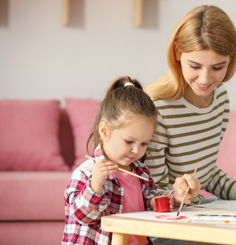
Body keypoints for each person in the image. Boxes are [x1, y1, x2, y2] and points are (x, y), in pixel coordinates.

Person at [145, 5, 236, 209]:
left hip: (196, 210)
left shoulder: (220, 97)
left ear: (230, 60)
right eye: (195, 66)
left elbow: (206, 172)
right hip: (164, 219)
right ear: (177, 52)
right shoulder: (157, 109)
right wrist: (178, 196)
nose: (205, 79)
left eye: (217, 67)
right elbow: (151, 192)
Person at [62, 76, 173, 245]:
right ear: (105, 131)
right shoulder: (86, 172)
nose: (137, 150)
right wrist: (95, 185)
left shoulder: (141, 172)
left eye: (144, 143)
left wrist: (159, 202)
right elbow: (82, 216)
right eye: (129, 141)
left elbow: (147, 203)